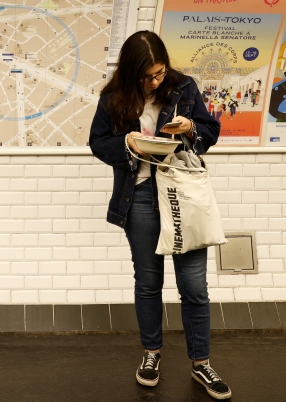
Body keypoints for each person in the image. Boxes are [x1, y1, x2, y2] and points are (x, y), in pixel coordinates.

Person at [89, 31, 229, 399]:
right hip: (138, 197)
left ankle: (201, 363)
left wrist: (191, 128)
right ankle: (151, 354)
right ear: (131, 73)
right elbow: (97, 142)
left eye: (159, 73)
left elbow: (211, 131)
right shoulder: (113, 98)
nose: (154, 82)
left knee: (194, 286)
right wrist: (126, 142)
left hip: (182, 194)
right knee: (148, 283)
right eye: (147, 77)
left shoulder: (184, 87)